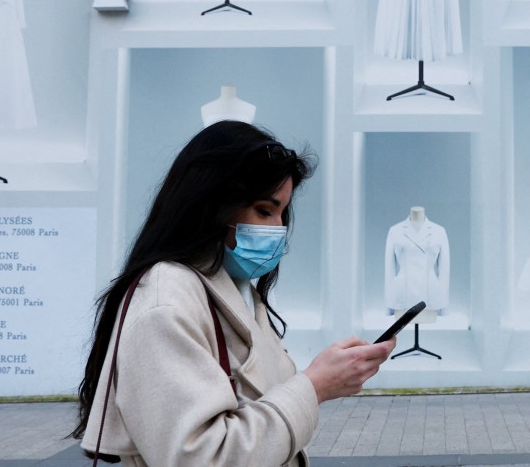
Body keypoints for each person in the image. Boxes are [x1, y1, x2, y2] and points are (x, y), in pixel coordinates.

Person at [72, 120, 396, 465]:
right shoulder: (165, 302)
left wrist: (325, 377)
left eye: (282, 213)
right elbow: (202, 457)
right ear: (213, 204)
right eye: (264, 210)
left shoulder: (232, 289)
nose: (278, 229)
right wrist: (314, 385)